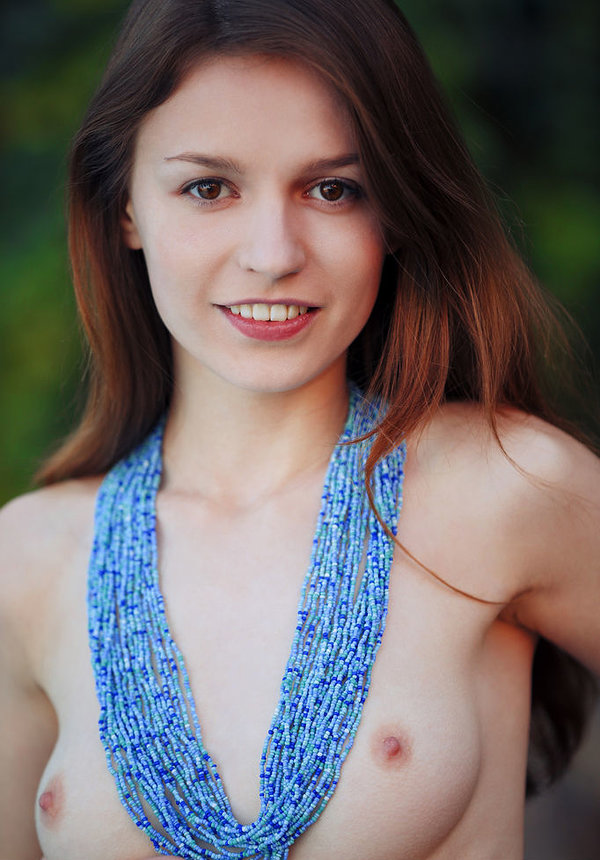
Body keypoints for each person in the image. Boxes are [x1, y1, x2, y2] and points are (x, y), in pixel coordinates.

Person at [1, 0, 599, 858]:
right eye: (209, 188)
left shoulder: (505, 485)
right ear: (125, 207)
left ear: (394, 210)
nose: (273, 253)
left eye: (332, 189)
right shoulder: (26, 563)